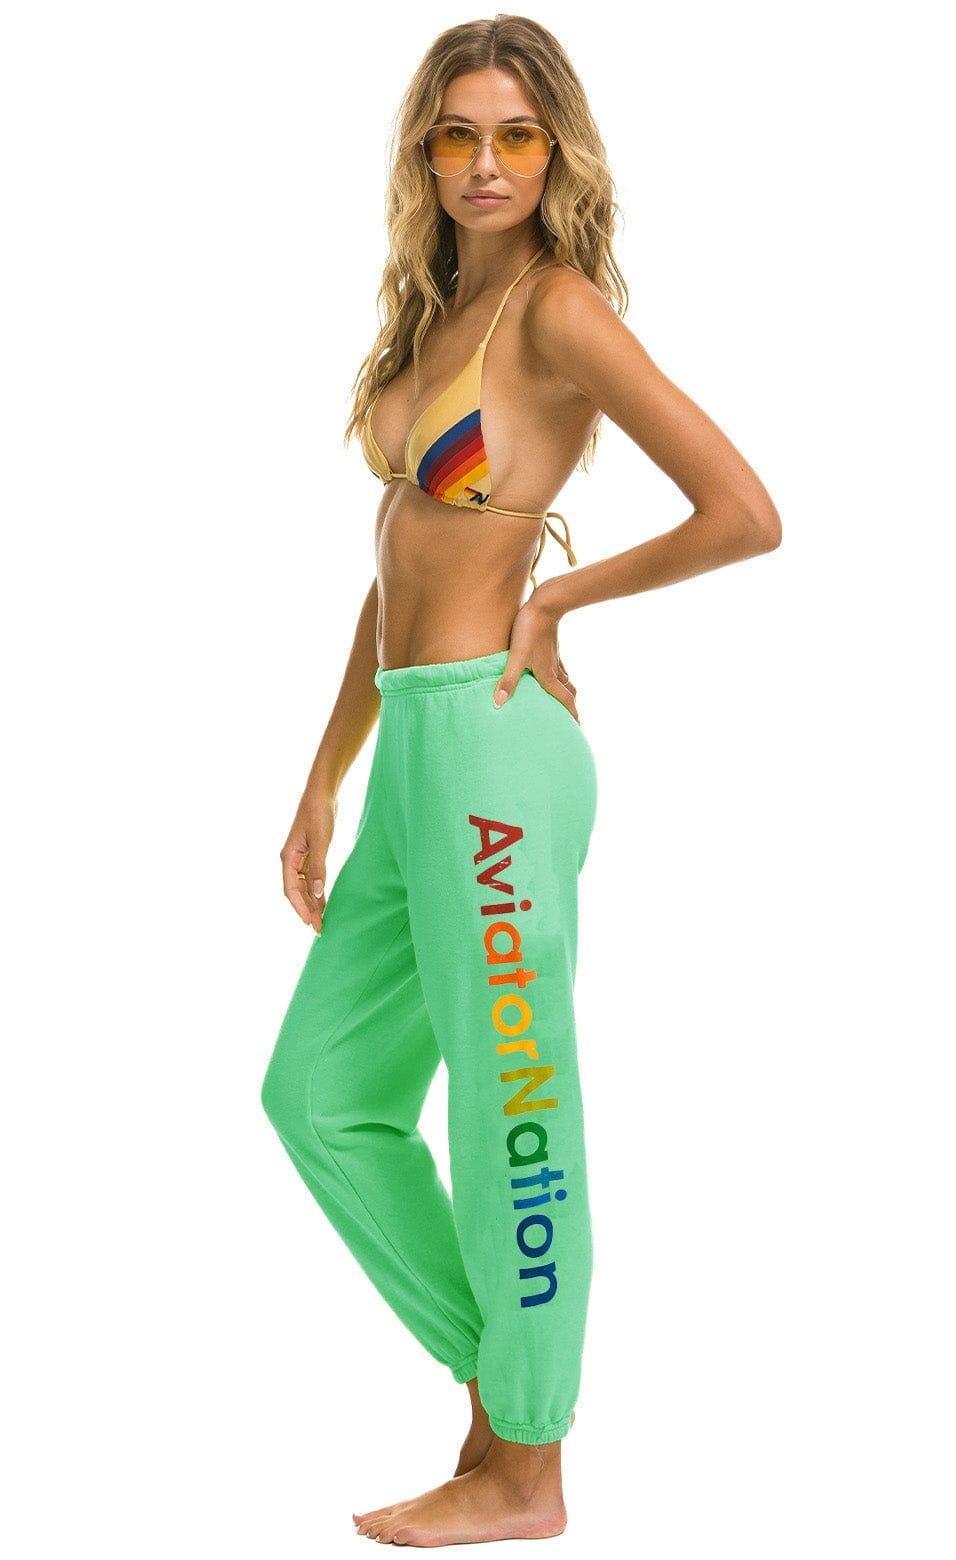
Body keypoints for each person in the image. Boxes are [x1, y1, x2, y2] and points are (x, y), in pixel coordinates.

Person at [261, 14, 781, 1548]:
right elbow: (397, 566)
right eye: (458, 136)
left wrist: (555, 598)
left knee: (512, 1101)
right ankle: (505, 1387)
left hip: (495, 750)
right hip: (416, 741)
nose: (486, 164)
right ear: (424, 156)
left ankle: (523, 1463)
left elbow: (744, 510)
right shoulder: (435, 316)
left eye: (517, 136)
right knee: (322, 1097)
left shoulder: (556, 312)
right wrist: (323, 776)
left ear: (558, 153)